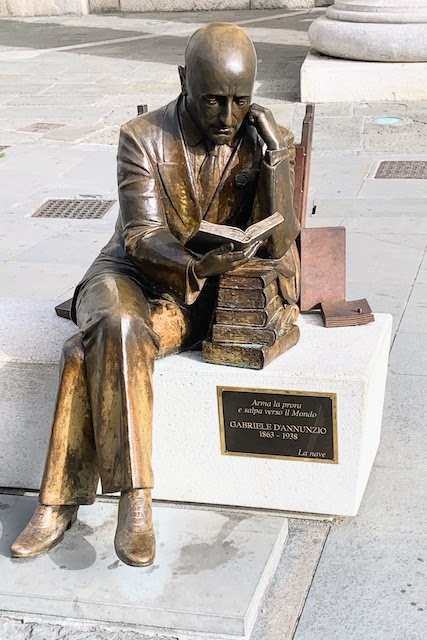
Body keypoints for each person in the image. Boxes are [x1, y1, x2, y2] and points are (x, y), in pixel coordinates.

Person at [11, 22, 300, 567]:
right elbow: (142, 235)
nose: (227, 117)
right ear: (183, 80)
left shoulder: (261, 137)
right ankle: (135, 501)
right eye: (213, 101)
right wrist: (196, 262)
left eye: (241, 101)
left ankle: (57, 502)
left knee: (85, 352)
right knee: (117, 324)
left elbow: (280, 239)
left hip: (197, 299)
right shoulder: (141, 136)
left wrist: (276, 158)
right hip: (129, 274)